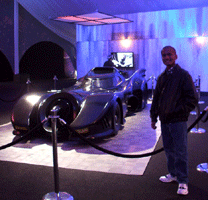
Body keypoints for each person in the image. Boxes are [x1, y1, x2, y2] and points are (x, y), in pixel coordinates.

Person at [150, 46, 198, 196]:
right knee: (169, 149)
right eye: (163, 55)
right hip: (165, 121)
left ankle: (183, 181)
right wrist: (153, 117)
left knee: (180, 151)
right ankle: (173, 174)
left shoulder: (183, 75)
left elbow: (192, 98)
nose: (166, 58)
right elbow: (156, 98)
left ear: (176, 56)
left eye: (169, 55)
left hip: (177, 121)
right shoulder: (162, 77)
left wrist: (179, 112)